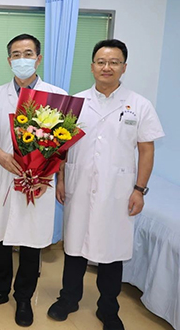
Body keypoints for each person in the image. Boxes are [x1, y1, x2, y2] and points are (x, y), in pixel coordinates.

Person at [47, 39, 164, 330]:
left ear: (124, 67)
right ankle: (68, 299)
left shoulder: (139, 105)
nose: (106, 67)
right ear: (92, 66)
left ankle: (108, 309)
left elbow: (146, 150)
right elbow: (62, 147)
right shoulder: (76, 103)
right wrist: (61, 179)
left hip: (118, 190)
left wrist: (139, 190)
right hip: (78, 185)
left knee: (112, 251)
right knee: (74, 245)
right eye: (101, 62)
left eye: (114, 62)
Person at [0, 33, 67, 327]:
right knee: (0, 238)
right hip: (4, 176)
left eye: (28, 54)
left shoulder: (56, 96)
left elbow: (62, 144)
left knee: (31, 241)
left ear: (38, 59)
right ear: (9, 60)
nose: (22, 59)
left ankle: (24, 297)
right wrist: (0, 156)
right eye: (16, 54)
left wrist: (47, 174)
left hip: (39, 182)